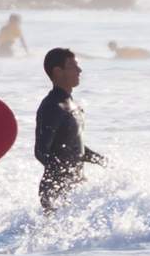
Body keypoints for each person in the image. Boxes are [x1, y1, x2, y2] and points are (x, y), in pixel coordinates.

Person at [35, 47, 107, 212]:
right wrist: (63, 178)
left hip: (74, 187)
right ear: (58, 72)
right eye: (73, 67)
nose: (79, 70)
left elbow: (73, 147)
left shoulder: (73, 105)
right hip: (56, 191)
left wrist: (103, 162)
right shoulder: (52, 107)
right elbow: (40, 151)